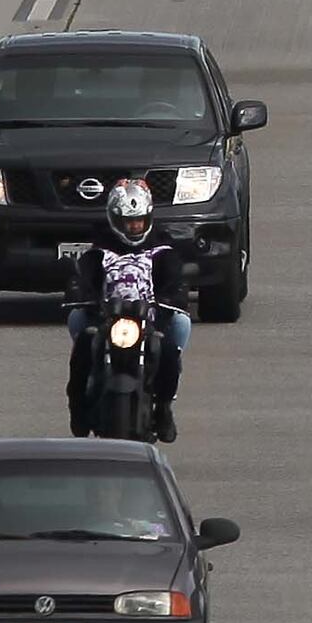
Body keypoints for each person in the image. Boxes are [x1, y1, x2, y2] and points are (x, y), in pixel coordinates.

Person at [62, 179, 190, 436]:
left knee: (171, 343)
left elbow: (175, 281)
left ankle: (164, 407)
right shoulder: (99, 251)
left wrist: (174, 297)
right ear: (114, 219)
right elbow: (82, 278)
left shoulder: (163, 250)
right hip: (107, 319)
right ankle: (77, 406)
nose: (134, 227)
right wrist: (79, 291)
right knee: (83, 339)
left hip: (150, 320)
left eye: (139, 221)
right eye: (129, 222)